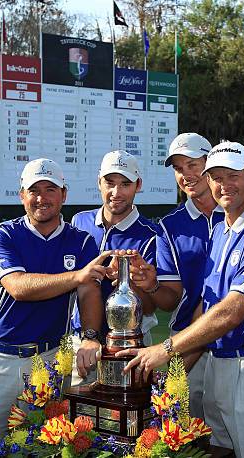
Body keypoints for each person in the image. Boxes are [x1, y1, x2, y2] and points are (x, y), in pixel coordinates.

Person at [118, 141, 244, 458]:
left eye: (233, 176)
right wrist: (177, 370)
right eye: (216, 177)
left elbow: (231, 313)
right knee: (218, 452)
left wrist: (165, 348)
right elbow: (208, 305)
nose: (224, 185)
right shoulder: (222, 231)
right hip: (219, 365)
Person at [0, 158, 108, 457]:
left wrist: (91, 335)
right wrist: (77, 275)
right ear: (22, 195)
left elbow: (88, 292)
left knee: (45, 449)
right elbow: (18, 287)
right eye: (34, 190)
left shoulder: (81, 241)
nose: (42, 198)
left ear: (64, 194)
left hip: (49, 361)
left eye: (50, 189)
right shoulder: (2, 234)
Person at [124, 132, 223, 419]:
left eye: (193, 165)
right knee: (184, 441)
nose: (186, 175)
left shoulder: (238, 215)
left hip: (233, 340)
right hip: (185, 340)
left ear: (211, 163)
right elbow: (171, 300)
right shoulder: (169, 225)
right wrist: (152, 286)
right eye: (179, 168)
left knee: (230, 444)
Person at [69, 150, 160, 386]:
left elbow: (150, 306)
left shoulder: (151, 235)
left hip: (131, 344)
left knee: (126, 417)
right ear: (99, 182)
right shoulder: (79, 222)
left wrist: (126, 281)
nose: (116, 193)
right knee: (77, 418)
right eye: (109, 183)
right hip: (81, 342)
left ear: (137, 185)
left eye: (125, 184)